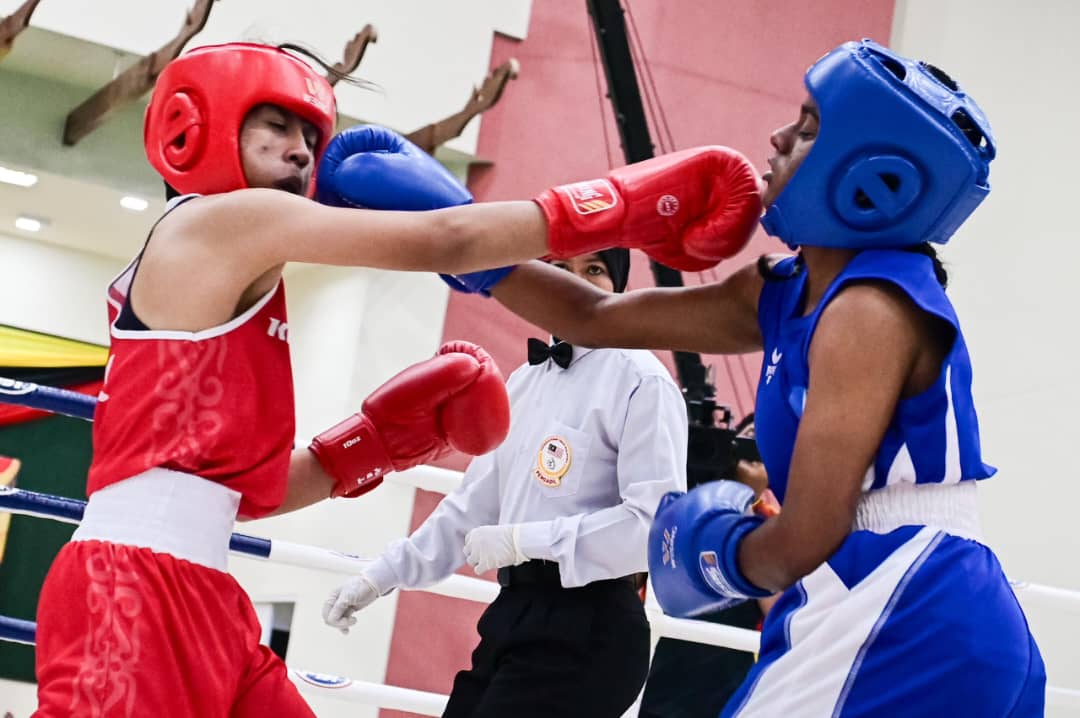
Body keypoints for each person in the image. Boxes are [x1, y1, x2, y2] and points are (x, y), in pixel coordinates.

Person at [30, 42, 763, 717]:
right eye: (276, 126)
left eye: (310, 134)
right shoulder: (217, 223)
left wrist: (372, 444)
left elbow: (245, 494)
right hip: (128, 587)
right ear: (193, 127)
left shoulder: (235, 273)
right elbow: (448, 241)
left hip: (203, 590)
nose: (301, 150)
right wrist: (616, 206)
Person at [440, 39, 1045, 716]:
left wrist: (714, 554)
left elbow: (803, 536)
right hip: (900, 602)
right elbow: (593, 316)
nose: (778, 136)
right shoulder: (784, 292)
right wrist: (446, 221)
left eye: (809, 128)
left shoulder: (868, 309)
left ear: (872, 175)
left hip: (901, 601)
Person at [322, 248, 688, 718]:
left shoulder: (642, 381)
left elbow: (652, 528)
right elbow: (471, 507)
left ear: (618, 284)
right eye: (560, 269)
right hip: (512, 612)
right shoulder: (523, 382)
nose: (575, 281)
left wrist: (523, 540)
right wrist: (381, 576)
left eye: (594, 269)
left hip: (591, 627)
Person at [638, 414, 776, 718]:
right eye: (749, 435)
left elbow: (779, 608)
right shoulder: (675, 507)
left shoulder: (769, 524)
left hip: (718, 685)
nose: (754, 446)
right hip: (655, 673)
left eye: (763, 444)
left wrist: (747, 505)